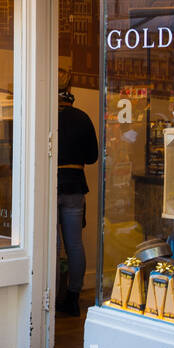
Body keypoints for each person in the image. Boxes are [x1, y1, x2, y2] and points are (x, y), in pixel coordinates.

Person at [57, 87, 99, 317]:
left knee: (51, 247)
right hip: (75, 186)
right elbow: (92, 157)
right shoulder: (83, 118)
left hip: (51, 185)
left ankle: (51, 298)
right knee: (74, 245)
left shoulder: (47, 115)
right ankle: (73, 297)